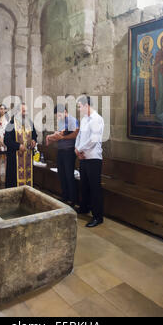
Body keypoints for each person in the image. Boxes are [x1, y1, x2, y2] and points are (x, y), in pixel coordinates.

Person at [75, 96, 105, 228]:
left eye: (79, 106)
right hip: (83, 157)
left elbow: (94, 139)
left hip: (93, 158)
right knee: (84, 185)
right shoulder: (84, 119)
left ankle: (98, 217)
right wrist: (76, 148)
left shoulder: (97, 119)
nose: (78, 109)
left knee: (94, 188)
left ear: (86, 105)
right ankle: (84, 208)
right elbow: (80, 136)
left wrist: (80, 149)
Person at [46, 104, 79, 207]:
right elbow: (59, 135)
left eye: (59, 115)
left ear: (65, 111)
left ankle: (72, 199)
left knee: (69, 175)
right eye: (57, 116)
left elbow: (75, 134)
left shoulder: (71, 120)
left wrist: (58, 137)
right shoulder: (61, 121)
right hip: (61, 151)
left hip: (68, 151)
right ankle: (65, 196)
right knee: (61, 174)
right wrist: (53, 137)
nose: (58, 117)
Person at [4, 103, 37, 188]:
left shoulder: (29, 122)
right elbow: (6, 140)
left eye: (26, 111)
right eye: (23, 111)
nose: (26, 113)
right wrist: (18, 146)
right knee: (14, 180)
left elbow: (34, 135)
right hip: (15, 157)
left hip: (28, 157)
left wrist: (34, 140)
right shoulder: (11, 124)